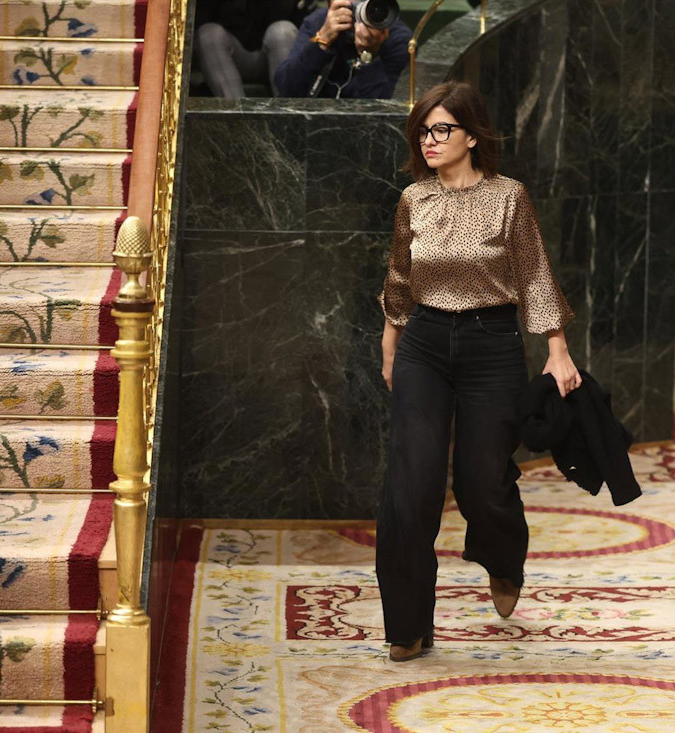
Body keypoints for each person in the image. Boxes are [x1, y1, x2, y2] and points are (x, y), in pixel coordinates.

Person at [376, 81, 581, 662]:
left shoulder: (509, 196)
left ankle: (502, 556)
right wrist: (392, 343)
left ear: (471, 134)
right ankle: (408, 627)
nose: (430, 139)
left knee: (482, 481)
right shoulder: (414, 199)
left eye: (442, 129)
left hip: (492, 346)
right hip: (425, 345)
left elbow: (535, 272)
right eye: (423, 130)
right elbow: (398, 277)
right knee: (410, 487)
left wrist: (557, 347)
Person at [274, 0, 411, 99]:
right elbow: (286, 89)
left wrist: (368, 55)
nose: (358, 9)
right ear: (330, 4)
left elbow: (387, 116)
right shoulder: (317, 23)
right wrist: (322, 41)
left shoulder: (397, 38)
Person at [193, 0, 305, 98]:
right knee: (208, 33)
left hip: (277, 55)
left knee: (282, 30)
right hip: (228, 56)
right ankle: (237, 117)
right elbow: (200, 17)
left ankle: (287, 116)